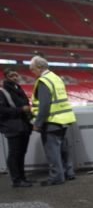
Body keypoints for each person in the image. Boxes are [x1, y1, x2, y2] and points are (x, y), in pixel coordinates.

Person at [29, 56, 77, 186]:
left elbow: (44, 105)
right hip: (64, 119)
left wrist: (37, 124)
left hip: (52, 121)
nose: (31, 72)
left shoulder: (44, 81)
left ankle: (56, 177)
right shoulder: (56, 78)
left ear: (39, 68)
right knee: (63, 149)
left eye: (32, 69)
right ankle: (69, 173)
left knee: (53, 151)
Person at [0, 68, 33, 187]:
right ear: (6, 77)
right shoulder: (2, 91)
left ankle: (23, 177)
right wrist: (20, 110)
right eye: (11, 75)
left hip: (23, 126)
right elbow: (2, 110)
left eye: (16, 75)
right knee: (14, 153)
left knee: (21, 153)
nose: (14, 77)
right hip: (12, 127)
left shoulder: (18, 89)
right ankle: (16, 180)